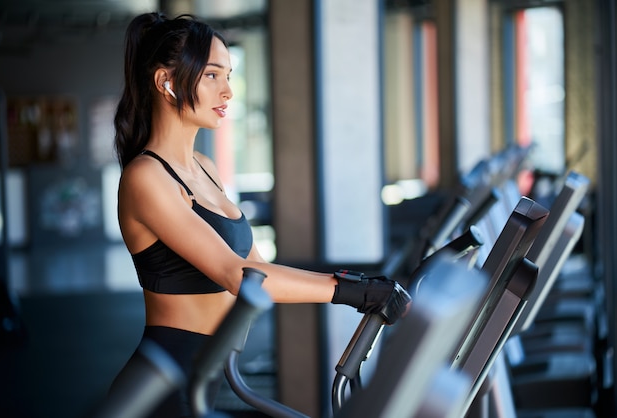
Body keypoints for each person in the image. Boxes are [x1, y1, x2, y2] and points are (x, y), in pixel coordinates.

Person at [108, 12, 411, 417]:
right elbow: (238, 276)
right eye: (213, 75)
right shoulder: (146, 177)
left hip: (206, 374)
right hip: (161, 384)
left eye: (229, 75)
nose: (228, 91)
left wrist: (358, 286)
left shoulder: (204, 168)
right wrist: (356, 292)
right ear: (166, 82)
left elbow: (260, 269)